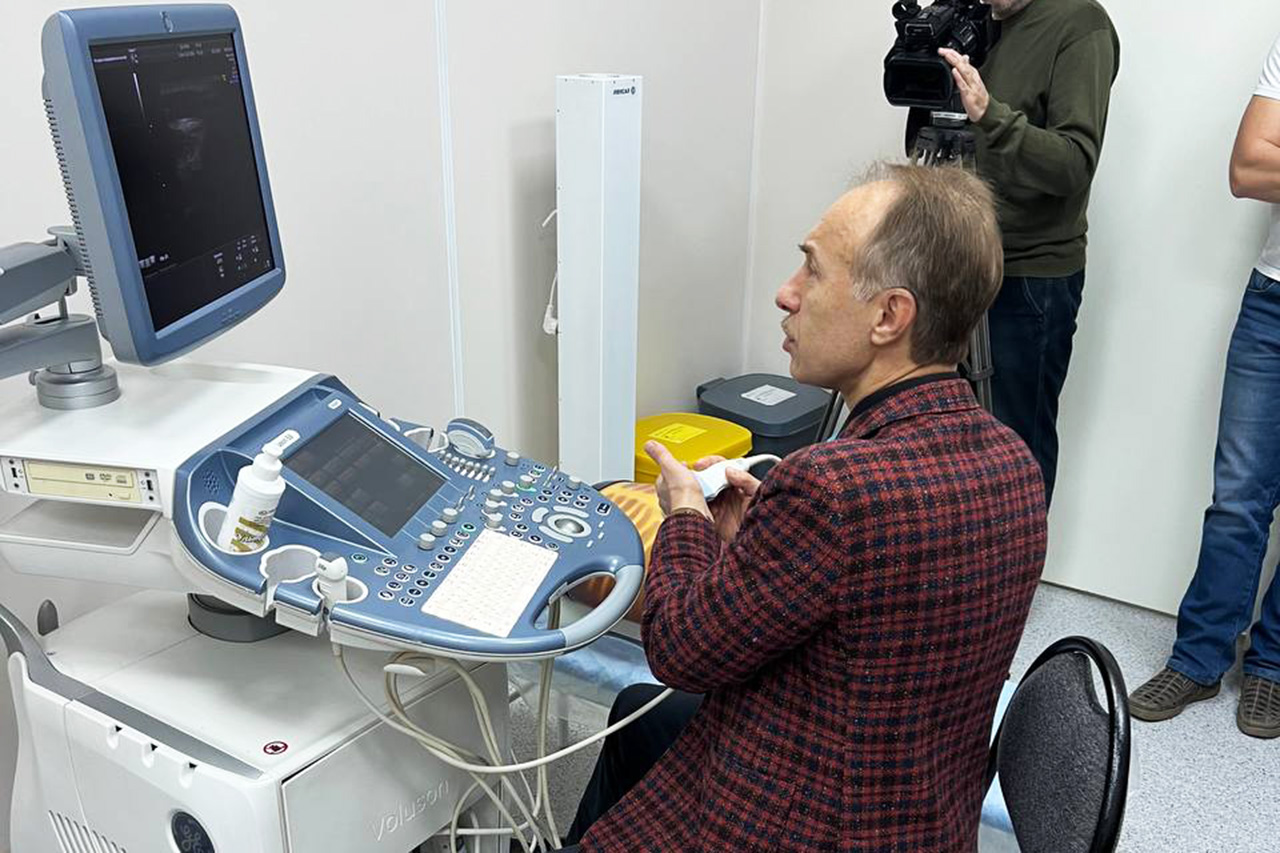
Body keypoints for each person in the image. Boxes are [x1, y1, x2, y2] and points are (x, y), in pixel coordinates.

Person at [560, 164, 1047, 852]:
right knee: (643, 717)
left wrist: (685, 514)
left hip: (809, 822)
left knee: (660, 713)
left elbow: (678, 648)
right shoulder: (1015, 463)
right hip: (923, 815)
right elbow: (879, 605)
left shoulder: (832, 487)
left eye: (812, 270)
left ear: (889, 316)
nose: (786, 294)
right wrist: (764, 540)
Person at [1128, 36, 1280, 740]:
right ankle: (1197, 658)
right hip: (1274, 301)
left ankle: (1273, 665)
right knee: (1238, 497)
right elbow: (1247, 167)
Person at [930, 0, 1119, 504]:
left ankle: (1018, 559)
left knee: (1013, 457)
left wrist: (991, 115)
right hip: (956, 262)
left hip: (1028, 277)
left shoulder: (1080, 23)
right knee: (944, 450)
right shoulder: (973, 19)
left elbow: (1074, 164)